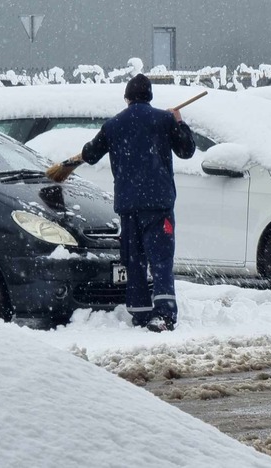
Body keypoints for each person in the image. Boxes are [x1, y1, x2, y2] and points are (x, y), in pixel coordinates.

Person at [80, 74, 196, 332]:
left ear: (127, 98)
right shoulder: (164, 120)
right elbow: (187, 150)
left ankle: (140, 313)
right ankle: (163, 315)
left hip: (128, 206)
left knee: (134, 261)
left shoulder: (113, 125)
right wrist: (179, 123)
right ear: (150, 96)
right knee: (161, 260)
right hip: (158, 205)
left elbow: (89, 154)